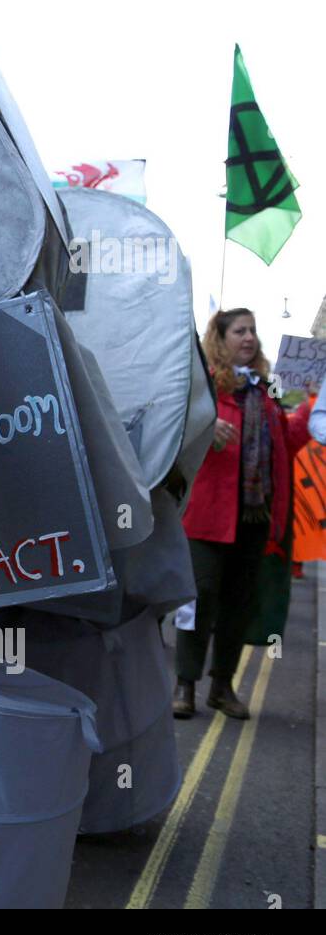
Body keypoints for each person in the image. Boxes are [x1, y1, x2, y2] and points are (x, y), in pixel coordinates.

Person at [174, 308, 312, 719]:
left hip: (254, 519)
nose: (250, 337)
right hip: (206, 517)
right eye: (240, 330)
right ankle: (185, 684)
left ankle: (221, 686)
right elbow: (171, 428)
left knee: (238, 605)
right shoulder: (203, 387)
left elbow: (286, 440)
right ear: (220, 337)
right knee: (196, 603)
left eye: (253, 330)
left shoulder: (266, 390)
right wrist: (204, 427)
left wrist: (309, 407)